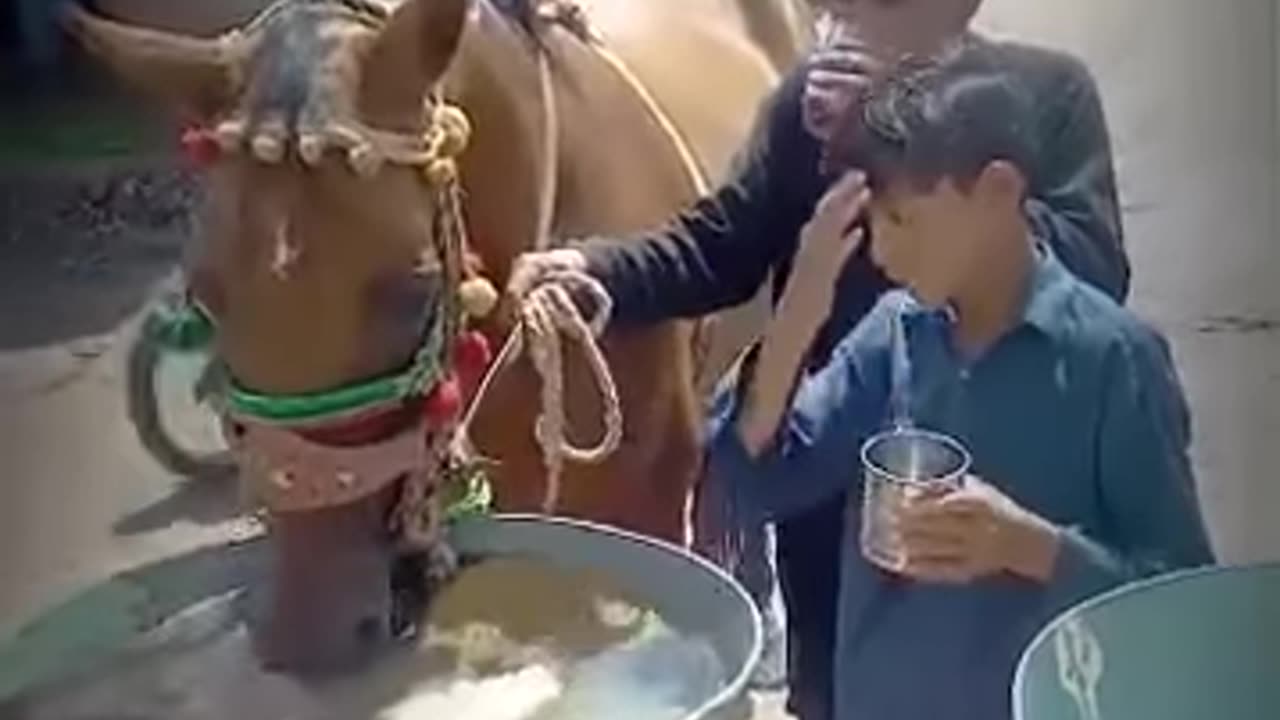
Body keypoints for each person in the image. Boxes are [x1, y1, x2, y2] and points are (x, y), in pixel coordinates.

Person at [508, 1, 1128, 716]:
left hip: (1006, 509)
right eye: (841, 9)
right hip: (836, 526)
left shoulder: (1049, 96)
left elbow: (1095, 270)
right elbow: (723, 245)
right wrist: (594, 270)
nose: (844, 26)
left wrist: (922, 138)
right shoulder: (812, 112)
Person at [707, 43, 1215, 720]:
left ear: (999, 192)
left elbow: (1185, 608)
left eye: (903, 219)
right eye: (871, 223)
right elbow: (756, 479)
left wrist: (1033, 547)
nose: (881, 252)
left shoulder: (1114, 363)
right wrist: (799, 309)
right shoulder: (896, 337)